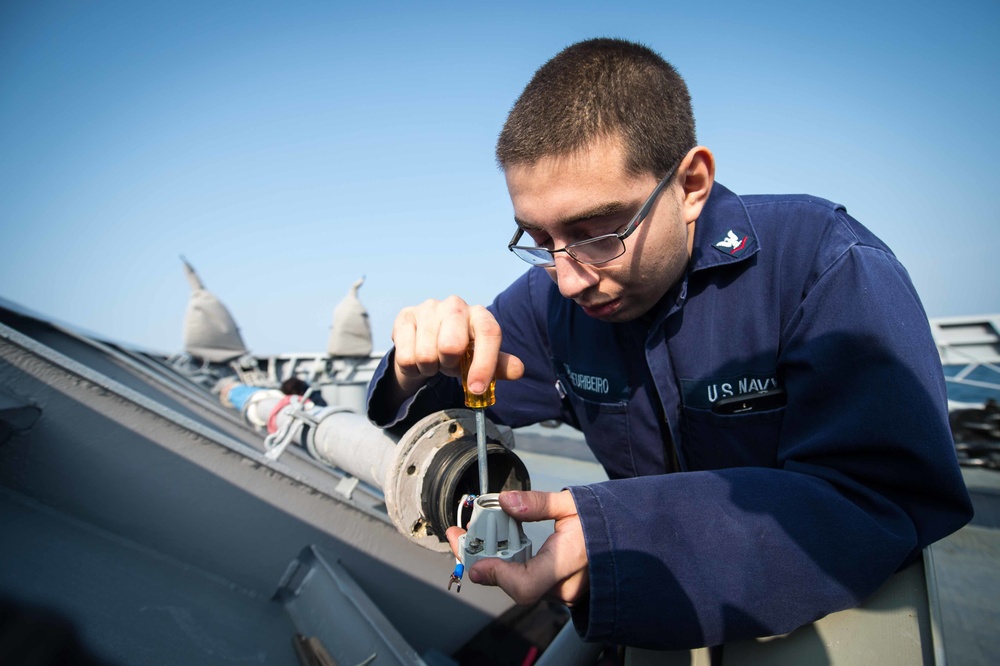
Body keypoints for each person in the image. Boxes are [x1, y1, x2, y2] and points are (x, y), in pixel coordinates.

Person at [366, 38, 973, 650]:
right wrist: (414, 369)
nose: (569, 277)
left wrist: (618, 539)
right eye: (538, 238)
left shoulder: (825, 266)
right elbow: (449, 418)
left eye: (598, 233)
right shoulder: (548, 299)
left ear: (691, 184)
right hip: (650, 619)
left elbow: (885, 498)